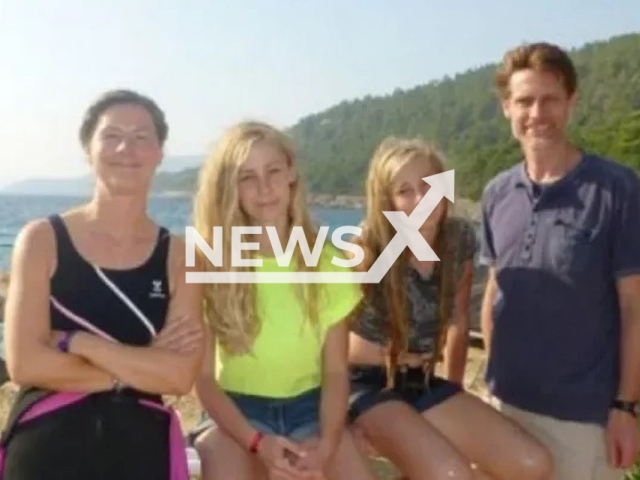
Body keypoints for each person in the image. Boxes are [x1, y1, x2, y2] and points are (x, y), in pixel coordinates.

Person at [1, 90, 204, 480]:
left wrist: (77, 342)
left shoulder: (180, 256)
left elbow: (179, 376)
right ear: (88, 149)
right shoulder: (41, 239)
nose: (126, 147)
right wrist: (140, 365)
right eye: (111, 135)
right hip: (46, 427)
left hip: (139, 433)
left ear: (159, 154)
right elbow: (25, 363)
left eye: (142, 137)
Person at [347, 137, 553, 479]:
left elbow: (458, 320)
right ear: (386, 201)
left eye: (428, 187)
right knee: (450, 474)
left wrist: (451, 390)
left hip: (422, 382)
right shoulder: (367, 249)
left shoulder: (458, 239)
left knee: (533, 464)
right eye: (404, 191)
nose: (420, 201)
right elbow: (326, 335)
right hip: (367, 385)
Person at [479, 42, 640, 480]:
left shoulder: (617, 190)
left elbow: (633, 308)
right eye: (524, 101)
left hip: (581, 422)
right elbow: (496, 289)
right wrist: (492, 381)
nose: (537, 113)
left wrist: (626, 407)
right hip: (504, 410)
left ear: (572, 101)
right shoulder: (496, 194)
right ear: (506, 108)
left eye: (549, 99)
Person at [191, 121, 375, 480]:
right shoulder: (210, 264)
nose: (264, 188)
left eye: (273, 171)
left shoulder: (328, 261)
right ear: (230, 187)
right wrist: (256, 441)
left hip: (311, 410)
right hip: (234, 411)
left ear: (292, 173)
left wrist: (328, 443)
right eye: (247, 177)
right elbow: (204, 383)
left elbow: (336, 371)